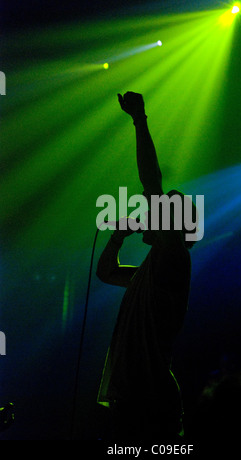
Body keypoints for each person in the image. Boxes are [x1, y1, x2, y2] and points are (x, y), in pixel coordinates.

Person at [95, 92, 197, 442]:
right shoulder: (151, 272)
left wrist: (140, 119)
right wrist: (117, 238)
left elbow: (152, 184)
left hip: (148, 401)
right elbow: (107, 273)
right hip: (135, 398)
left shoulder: (174, 258)